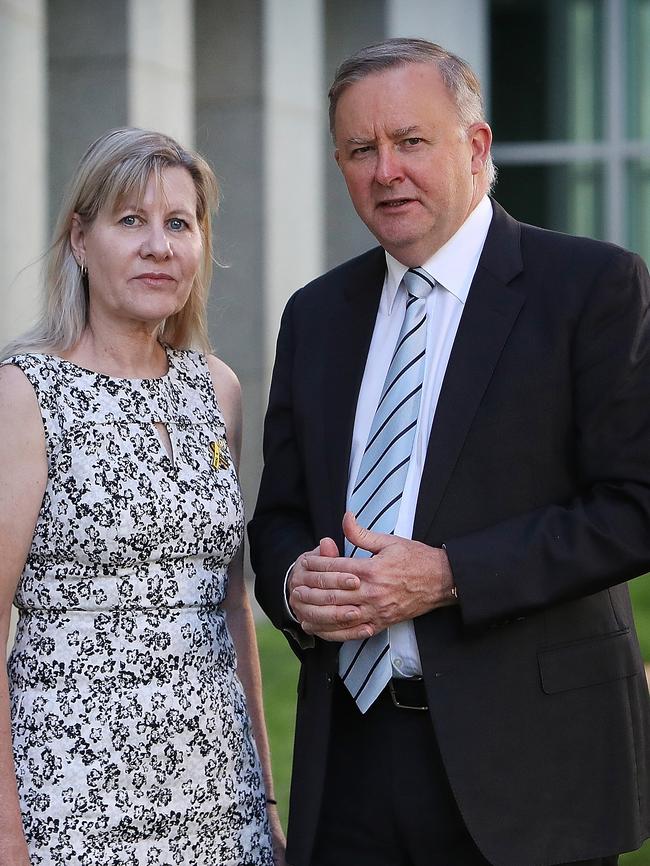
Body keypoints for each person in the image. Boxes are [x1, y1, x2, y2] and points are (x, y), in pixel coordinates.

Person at [248, 37, 650, 866]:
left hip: (531, 768)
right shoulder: (316, 316)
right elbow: (280, 516)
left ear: (476, 146)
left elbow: (634, 505)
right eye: (361, 150)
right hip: (349, 762)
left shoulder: (592, 287)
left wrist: (447, 574)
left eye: (410, 141)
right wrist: (296, 584)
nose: (385, 170)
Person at [0, 127, 285, 865]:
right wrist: (6, 836)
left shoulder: (216, 391)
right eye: (131, 221)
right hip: (69, 793)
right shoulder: (25, 394)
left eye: (178, 224)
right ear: (80, 239)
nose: (159, 246)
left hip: (218, 794)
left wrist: (265, 797)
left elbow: (231, 606)